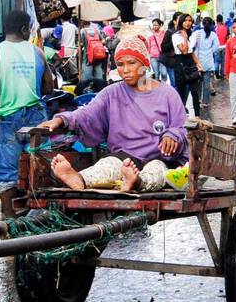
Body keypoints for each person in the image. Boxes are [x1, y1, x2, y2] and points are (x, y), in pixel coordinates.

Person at [39, 34, 187, 192]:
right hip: (122, 157)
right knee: (106, 167)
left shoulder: (167, 93)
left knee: (157, 173)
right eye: (121, 65)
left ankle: (136, 182)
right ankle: (79, 179)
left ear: (144, 63)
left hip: (158, 158)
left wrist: (172, 135)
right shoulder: (111, 93)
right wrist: (61, 119)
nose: (126, 70)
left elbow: (182, 127)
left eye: (131, 63)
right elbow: (87, 113)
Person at [0, 9, 55, 215]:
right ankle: (39, 217)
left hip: (8, 119)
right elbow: (49, 87)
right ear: (24, 29)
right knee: (39, 167)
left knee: (7, 174)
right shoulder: (37, 52)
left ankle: (11, 223)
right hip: (36, 118)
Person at [190, 15, 219, 115]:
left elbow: (192, 45)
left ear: (202, 24)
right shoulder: (213, 35)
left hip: (198, 61)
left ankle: (197, 100)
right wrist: (209, 51)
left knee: (198, 83)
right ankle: (205, 102)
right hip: (208, 61)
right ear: (211, 25)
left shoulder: (197, 33)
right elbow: (216, 47)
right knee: (206, 83)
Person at [81, 20, 108, 88]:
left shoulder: (82, 31)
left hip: (87, 56)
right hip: (98, 55)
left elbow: (80, 43)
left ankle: (87, 89)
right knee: (98, 72)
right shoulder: (96, 30)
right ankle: (100, 88)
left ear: (81, 22)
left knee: (87, 75)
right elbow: (103, 41)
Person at [146, 18, 167, 82]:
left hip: (162, 56)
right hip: (153, 57)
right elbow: (148, 46)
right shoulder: (150, 35)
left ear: (160, 25)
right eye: (153, 25)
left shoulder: (164, 33)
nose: (154, 27)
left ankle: (164, 85)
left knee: (164, 73)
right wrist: (148, 57)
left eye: (156, 25)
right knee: (156, 74)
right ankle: (158, 89)